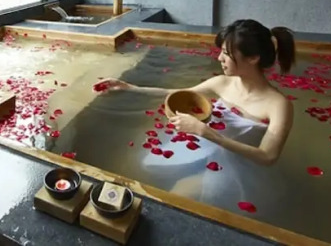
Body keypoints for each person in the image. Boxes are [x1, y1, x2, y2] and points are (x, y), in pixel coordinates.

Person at [94, 19, 297, 166]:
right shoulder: (222, 83)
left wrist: (206, 132)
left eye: (226, 53)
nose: (219, 58)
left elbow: (268, 156)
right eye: (221, 51)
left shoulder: (278, 105)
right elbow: (177, 93)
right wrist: (129, 88)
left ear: (253, 58)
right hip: (211, 149)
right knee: (148, 166)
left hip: (242, 164)